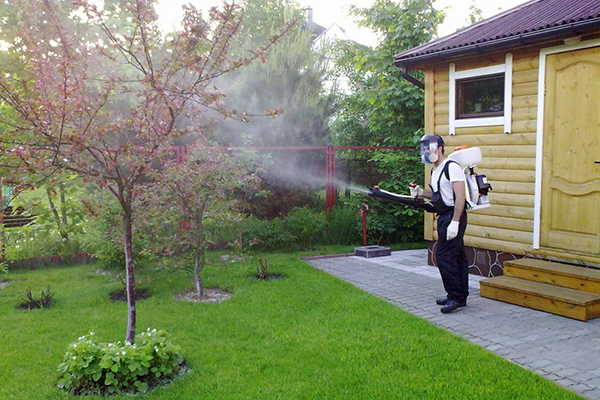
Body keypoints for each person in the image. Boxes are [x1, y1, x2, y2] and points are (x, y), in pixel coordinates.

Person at [409, 135, 469, 313]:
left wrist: (455, 222)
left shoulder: (452, 168)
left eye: (430, 147)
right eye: (425, 148)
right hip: (444, 215)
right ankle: (459, 296)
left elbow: (460, 197)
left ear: (440, 148)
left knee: (444, 256)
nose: (427, 151)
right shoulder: (435, 170)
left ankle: (455, 297)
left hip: (453, 216)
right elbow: (437, 195)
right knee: (458, 257)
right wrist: (420, 192)